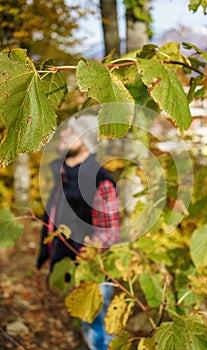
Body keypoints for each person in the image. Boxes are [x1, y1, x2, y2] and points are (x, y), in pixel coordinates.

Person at [36, 114, 121, 350]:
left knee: (99, 334)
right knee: (87, 329)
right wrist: (47, 252)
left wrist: (84, 263)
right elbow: (54, 217)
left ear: (84, 139)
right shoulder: (63, 174)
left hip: (91, 273)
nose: (61, 135)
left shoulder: (100, 181)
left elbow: (110, 233)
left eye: (69, 132)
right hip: (68, 264)